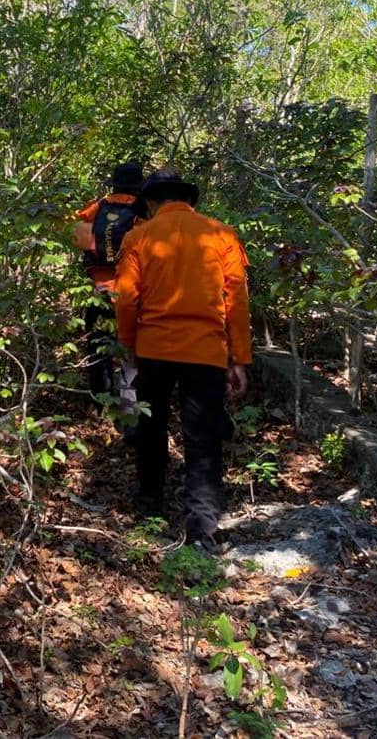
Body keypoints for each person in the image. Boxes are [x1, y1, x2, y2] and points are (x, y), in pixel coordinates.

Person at [113, 169, 252, 551]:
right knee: (203, 438)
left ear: (152, 202)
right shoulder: (222, 235)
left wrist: (128, 344)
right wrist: (238, 358)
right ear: (188, 200)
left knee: (151, 428)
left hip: (153, 349)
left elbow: (126, 298)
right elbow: (236, 300)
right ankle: (203, 529)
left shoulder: (139, 237)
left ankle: (149, 507)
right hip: (205, 352)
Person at [73, 163, 144, 402]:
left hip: (98, 290)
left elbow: (76, 233)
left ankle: (100, 401)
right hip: (130, 291)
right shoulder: (142, 212)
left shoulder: (98, 207)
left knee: (98, 346)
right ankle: (129, 406)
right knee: (131, 347)